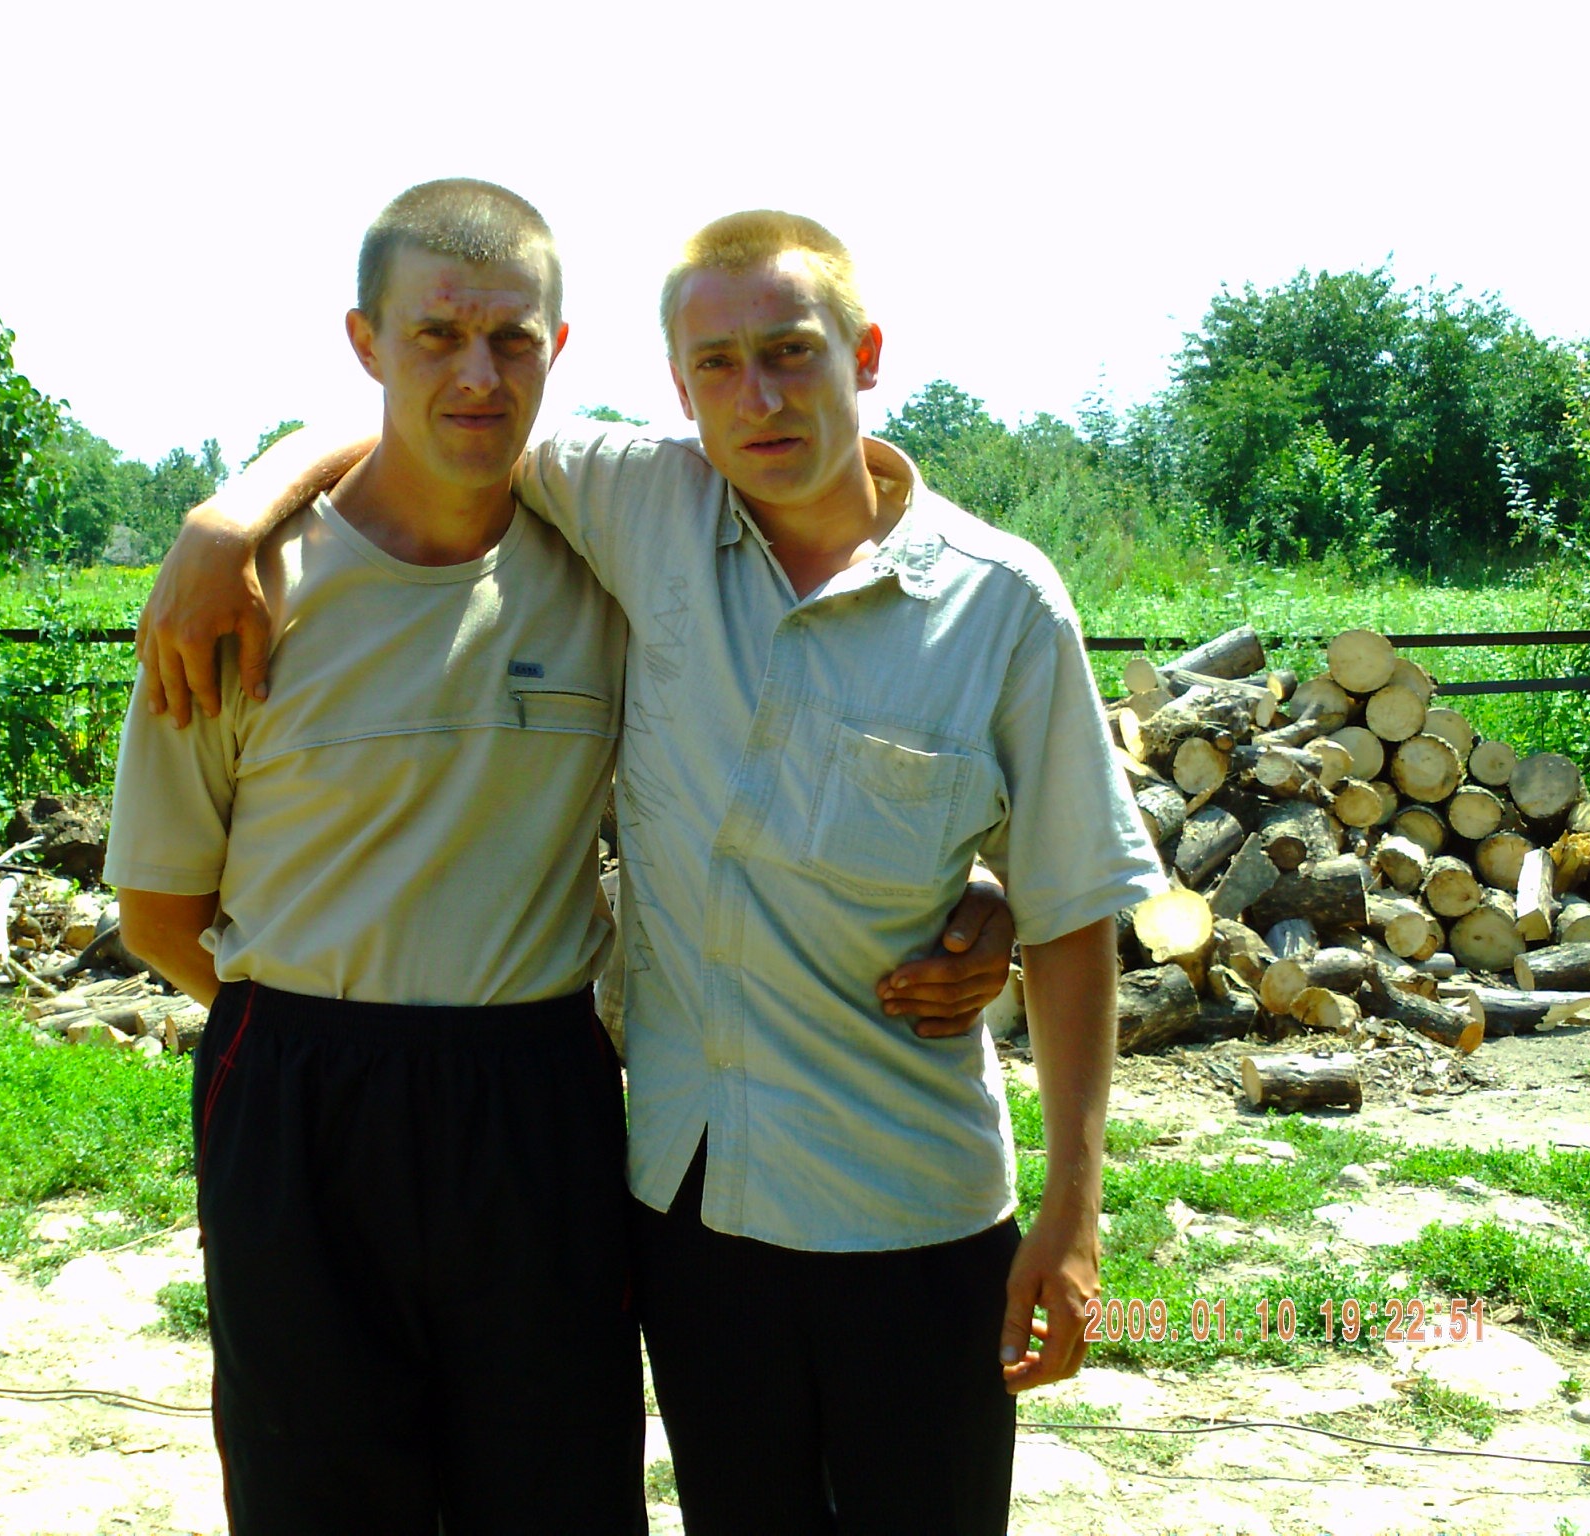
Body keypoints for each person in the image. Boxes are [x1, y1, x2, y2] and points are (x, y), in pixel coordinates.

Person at [107, 182, 1018, 1536]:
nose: (477, 374)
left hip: (538, 1093)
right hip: (300, 1089)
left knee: (559, 1482)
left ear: (559, 347)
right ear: (365, 343)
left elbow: (802, 696)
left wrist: (974, 889)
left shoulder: (612, 558)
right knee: (318, 1482)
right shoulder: (247, 596)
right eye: (436, 336)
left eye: (511, 339)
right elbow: (158, 911)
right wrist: (226, 521)